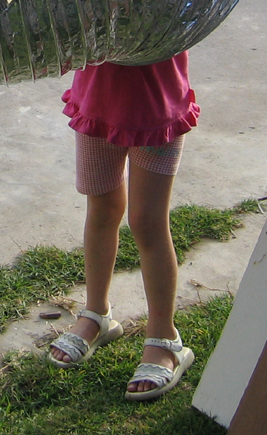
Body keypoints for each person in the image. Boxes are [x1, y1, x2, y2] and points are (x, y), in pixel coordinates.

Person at [47, 51, 198, 401]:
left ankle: (165, 339)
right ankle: (97, 314)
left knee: (147, 221)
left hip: (157, 109)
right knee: (101, 209)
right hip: (97, 104)